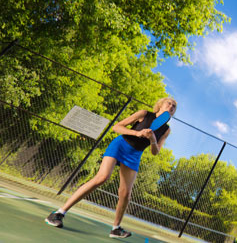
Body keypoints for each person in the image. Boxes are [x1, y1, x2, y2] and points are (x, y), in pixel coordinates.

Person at [45, 97, 177, 238]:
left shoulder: (166, 129)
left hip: (134, 155)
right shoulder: (144, 114)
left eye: (174, 106)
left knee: (126, 194)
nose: (171, 106)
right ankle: (58, 213)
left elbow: (155, 152)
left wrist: (152, 139)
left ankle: (116, 229)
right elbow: (117, 127)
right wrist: (137, 133)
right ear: (161, 104)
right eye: (169, 103)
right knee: (102, 177)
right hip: (121, 144)